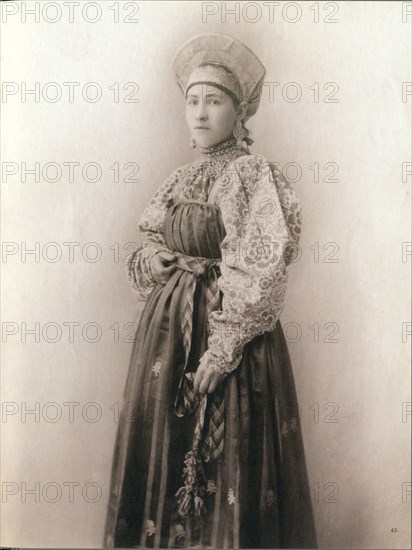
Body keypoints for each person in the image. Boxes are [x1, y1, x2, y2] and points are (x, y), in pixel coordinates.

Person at [104, 32, 317, 549]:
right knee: (163, 448)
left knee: (229, 460)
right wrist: (152, 260)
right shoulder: (180, 178)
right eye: (192, 101)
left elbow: (263, 266)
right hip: (167, 339)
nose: (200, 113)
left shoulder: (250, 174)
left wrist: (222, 351)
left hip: (231, 339)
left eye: (214, 101)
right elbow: (148, 242)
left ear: (239, 112)